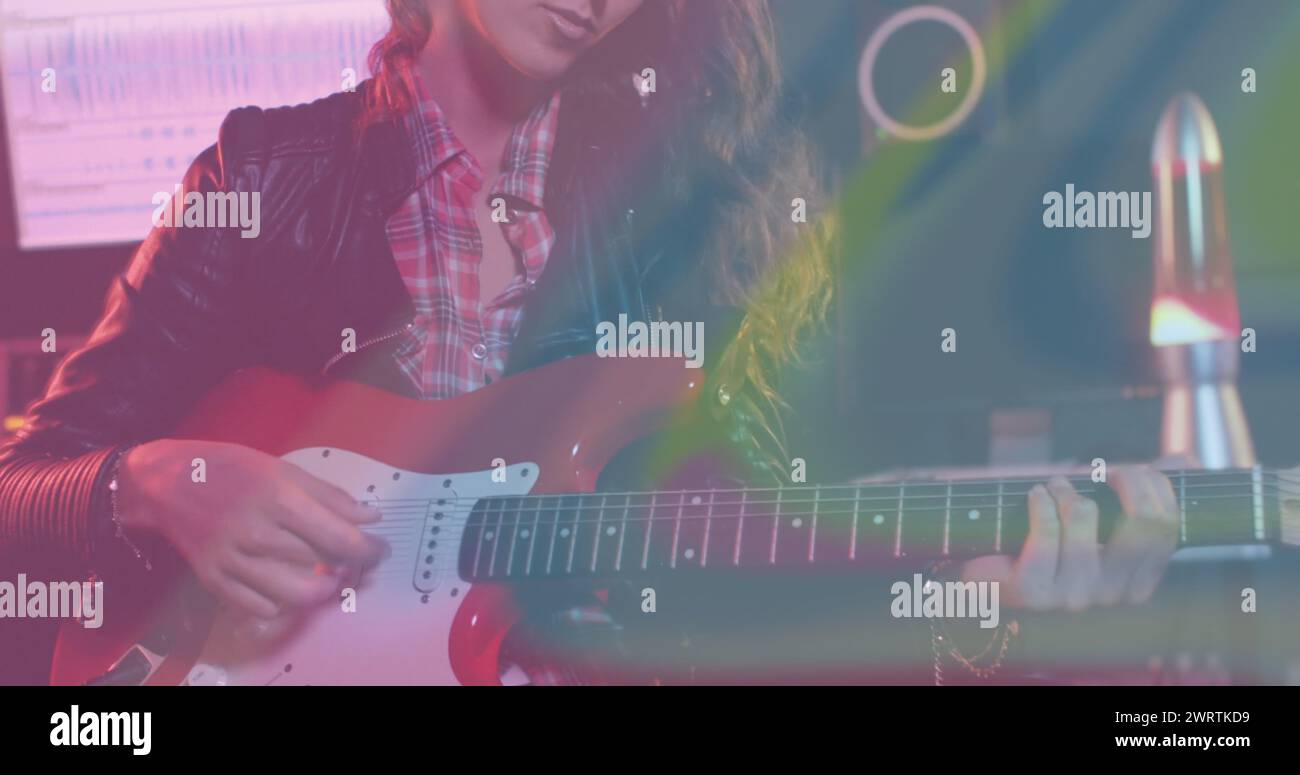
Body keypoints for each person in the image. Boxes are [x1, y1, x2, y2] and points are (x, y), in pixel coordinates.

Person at [0, 0, 1178, 683]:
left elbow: (750, 605)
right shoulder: (262, 175)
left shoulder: (702, 208)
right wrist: (152, 485)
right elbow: (21, 493)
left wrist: (991, 628)